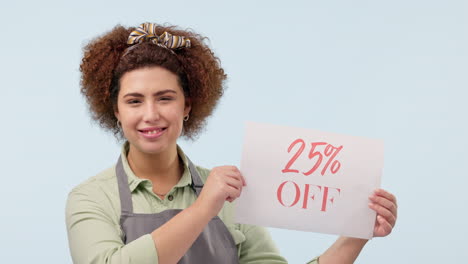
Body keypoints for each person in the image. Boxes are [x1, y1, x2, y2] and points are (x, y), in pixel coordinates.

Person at [66, 22, 398, 264]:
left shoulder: (231, 192)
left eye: (165, 98)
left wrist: (355, 236)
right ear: (116, 112)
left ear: (187, 106)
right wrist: (203, 209)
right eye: (134, 101)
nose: (150, 114)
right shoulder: (92, 198)